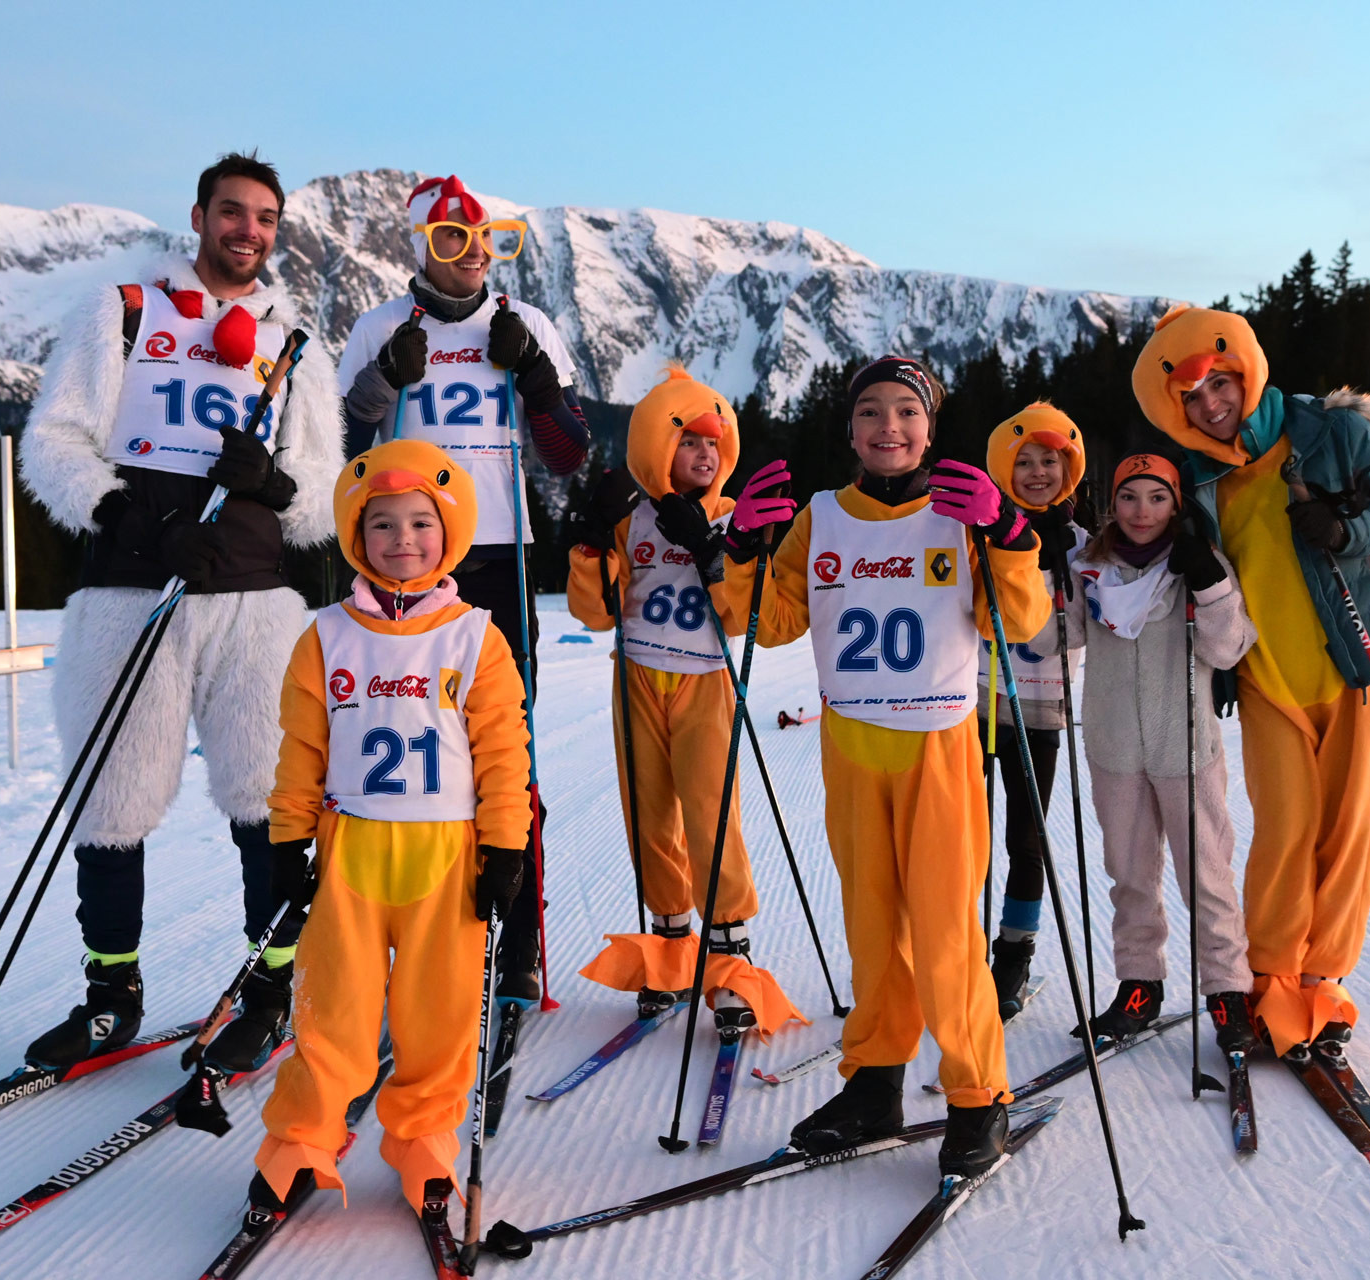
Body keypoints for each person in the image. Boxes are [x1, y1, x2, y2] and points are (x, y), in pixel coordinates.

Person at [19, 151, 341, 1073]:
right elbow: (55, 443)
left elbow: (323, 499)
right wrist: (127, 517)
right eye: (233, 213)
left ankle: (271, 982)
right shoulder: (124, 311)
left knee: (269, 798)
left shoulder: (294, 341)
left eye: (266, 219)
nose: (249, 231)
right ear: (198, 216)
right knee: (111, 797)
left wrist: (273, 480)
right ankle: (110, 994)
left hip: (253, 601)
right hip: (132, 592)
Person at [712, 356, 1050, 1183]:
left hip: (938, 744)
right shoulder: (822, 516)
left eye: (907, 411)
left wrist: (1007, 535)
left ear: (929, 428)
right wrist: (744, 547)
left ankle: (978, 1096)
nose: (888, 427)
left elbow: (1020, 616)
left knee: (943, 934)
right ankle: (875, 1082)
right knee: (872, 928)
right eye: (870, 412)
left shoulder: (962, 511)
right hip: (853, 744)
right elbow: (772, 619)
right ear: (851, 430)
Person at [1131, 305, 1370, 1059]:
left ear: (1244, 371)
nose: (1209, 405)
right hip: (1268, 678)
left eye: (1218, 383)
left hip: (1357, 665)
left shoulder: (1331, 432)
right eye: (1190, 397)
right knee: (1284, 832)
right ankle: (1271, 980)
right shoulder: (1196, 475)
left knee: (1347, 831)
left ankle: (1323, 982)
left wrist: (1347, 528)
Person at [248, 439, 531, 1220]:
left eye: (420, 523)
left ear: (450, 533)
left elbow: (504, 750)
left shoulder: (476, 635)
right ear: (355, 535)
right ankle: (301, 1140)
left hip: (447, 853)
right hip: (353, 850)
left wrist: (506, 844)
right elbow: (302, 747)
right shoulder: (327, 635)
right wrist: (286, 839)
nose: (402, 540)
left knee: (437, 1015)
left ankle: (423, 1140)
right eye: (382, 525)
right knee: (331, 1008)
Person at [335, 174, 591, 1001]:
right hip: (403, 561)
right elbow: (335, 450)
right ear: (420, 245)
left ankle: (515, 944)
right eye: (452, 240)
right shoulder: (379, 326)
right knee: (405, 744)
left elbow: (566, 453)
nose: (474, 255)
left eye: (488, 238)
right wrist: (380, 380)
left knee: (502, 755)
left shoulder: (526, 324)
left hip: (498, 557)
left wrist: (537, 380)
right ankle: (408, 934)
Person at [564, 367, 803, 1036]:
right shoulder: (633, 518)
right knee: (648, 812)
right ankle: (670, 949)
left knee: (709, 809)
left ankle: (729, 954)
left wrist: (713, 548)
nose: (703, 455)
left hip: (702, 678)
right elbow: (597, 612)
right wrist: (590, 546)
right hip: (637, 675)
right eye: (689, 442)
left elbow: (738, 617)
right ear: (656, 449)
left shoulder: (729, 516)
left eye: (713, 445)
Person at [1031, 454, 1258, 1050]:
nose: (1142, 511)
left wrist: (1209, 583)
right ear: (1114, 505)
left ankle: (1228, 990)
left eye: (1157, 498)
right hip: (1113, 745)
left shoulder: (1196, 564)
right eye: (1129, 497)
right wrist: (1046, 573)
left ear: (1176, 505)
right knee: (1129, 875)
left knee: (1206, 874)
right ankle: (1139, 985)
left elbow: (1230, 648)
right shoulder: (1090, 566)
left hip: (1185, 743)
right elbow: (1052, 640)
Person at [972, 403, 1087, 1020]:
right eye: (1025, 462)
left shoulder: (1080, 544)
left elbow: (1090, 629)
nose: (1038, 472)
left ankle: (1013, 953)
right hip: (973, 706)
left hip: (1039, 711)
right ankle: (954, 951)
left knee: (1026, 839)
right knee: (964, 840)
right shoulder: (978, 532)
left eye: (1051, 461)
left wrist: (1069, 571)